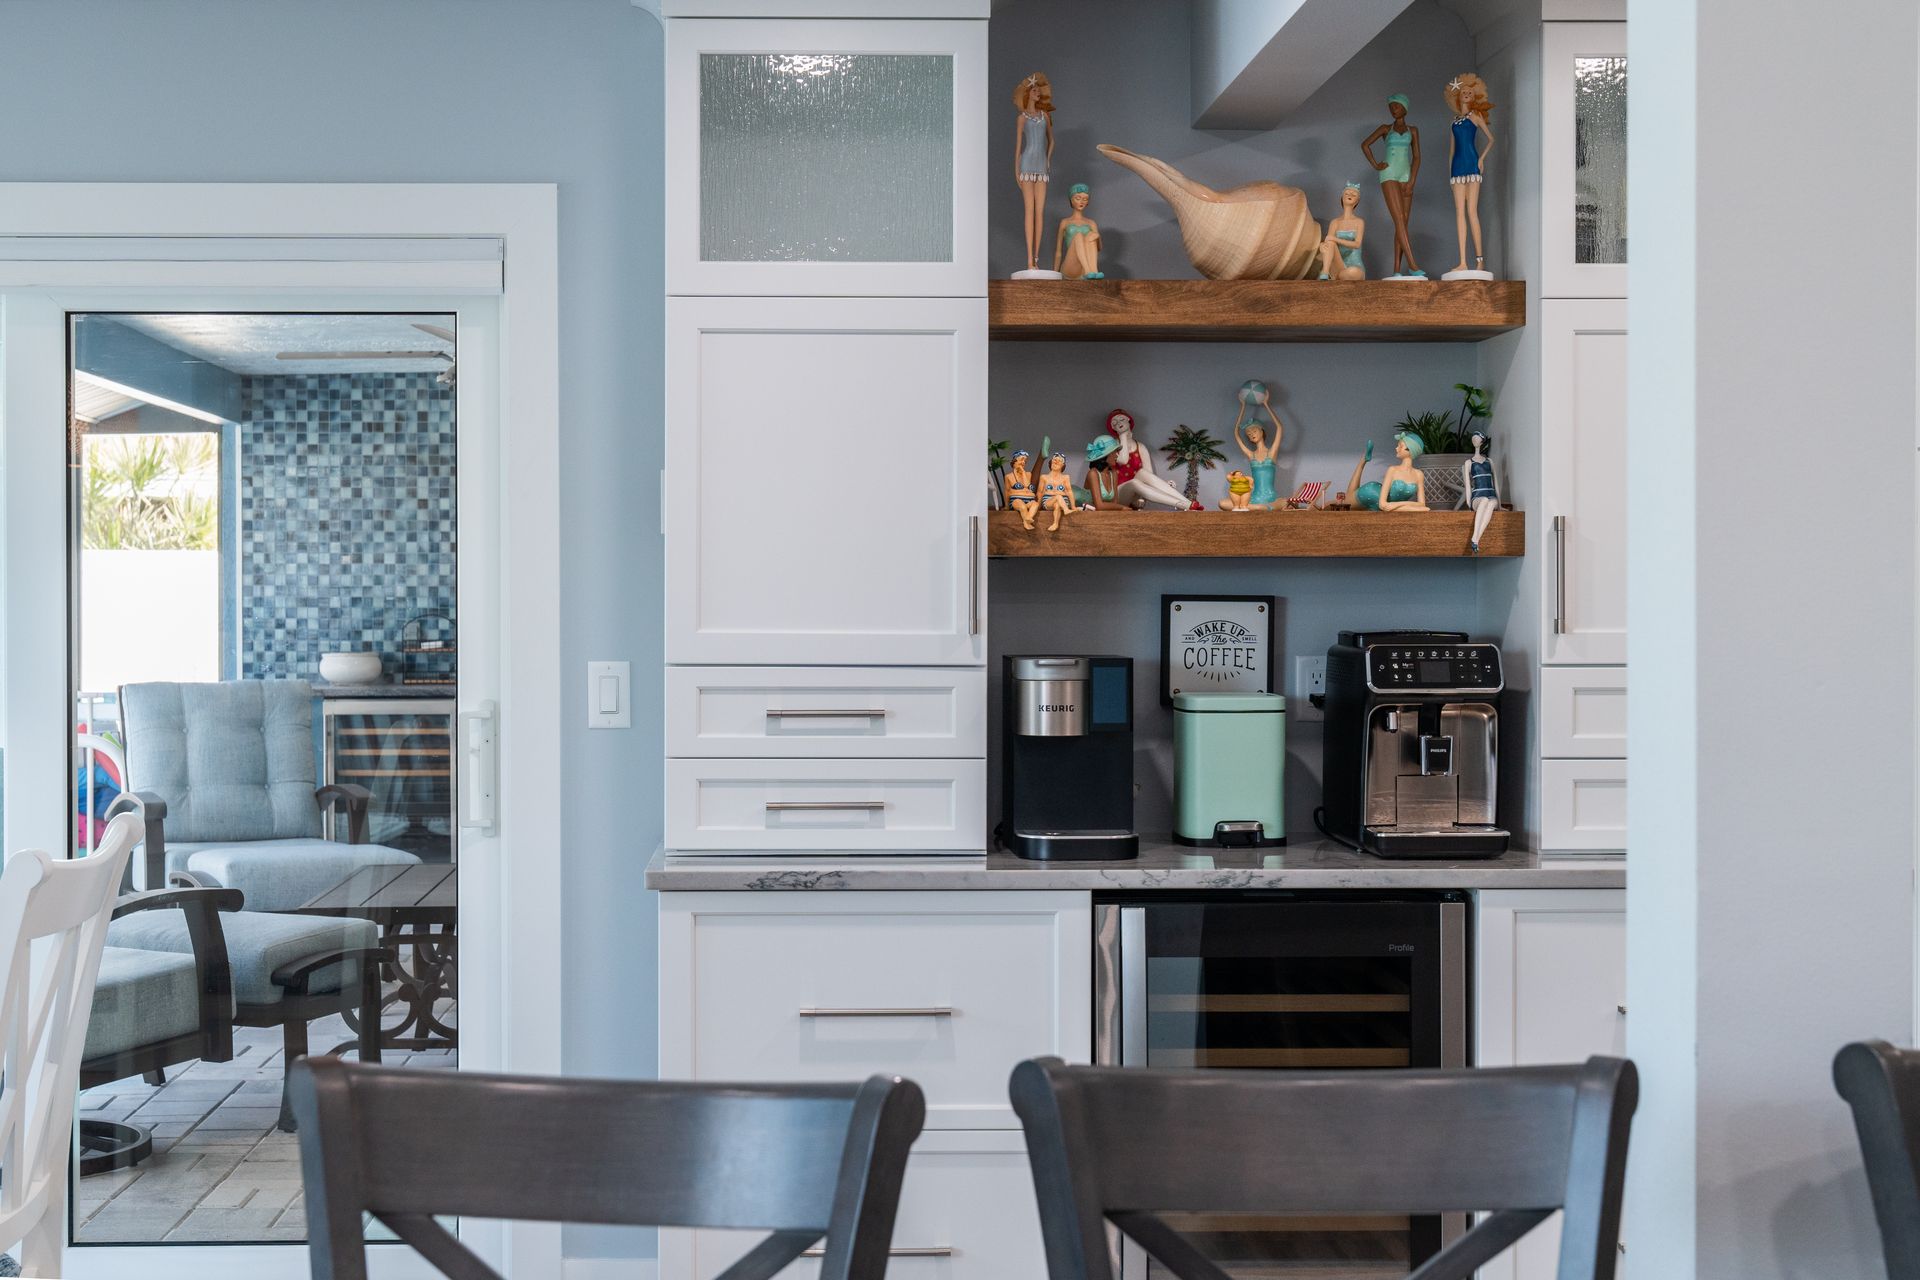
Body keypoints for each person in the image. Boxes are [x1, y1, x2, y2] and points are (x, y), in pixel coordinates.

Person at [1361, 93, 1425, 279]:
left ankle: (1397, 269)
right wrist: (1375, 164)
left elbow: (1417, 157)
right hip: (1388, 173)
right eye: (1391, 107)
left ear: (1405, 108)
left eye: (1396, 106)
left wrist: (1412, 179)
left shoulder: (1413, 130)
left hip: (1406, 175)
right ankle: (1413, 265)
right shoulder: (1384, 129)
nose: (1393, 110)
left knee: (1403, 222)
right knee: (1398, 219)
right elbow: (1365, 145)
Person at [1443, 73, 1496, 277]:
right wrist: (1449, 173)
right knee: (1459, 212)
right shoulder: (1454, 121)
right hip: (1457, 167)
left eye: (1469, 92)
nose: (1466, 94)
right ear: (1458, 97)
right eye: (1463, 92)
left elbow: (1491, 139)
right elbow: (1451, 150)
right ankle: (1463, 261)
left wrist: (1481, 159)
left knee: (1472, 211)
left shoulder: (1476, 117)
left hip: (1472, 164)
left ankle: (1480, 260)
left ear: (1474, 97)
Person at [1104, 410, 1199, 510]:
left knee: (1142, 473)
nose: (1119, 423)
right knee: (1134, 482)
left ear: (1128, 420)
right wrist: (1122, 436)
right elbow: (1123, 460)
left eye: (1122, 419)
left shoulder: (1140, 447)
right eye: (1114, 422)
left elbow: (1148, 476)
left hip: (1137, 493)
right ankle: (1179, 504)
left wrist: (1164, 486)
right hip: (1118, 494)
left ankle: (1187, 502)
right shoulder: (1112, 446)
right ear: (1113, 428)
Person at [1013, 73, 1055, 274]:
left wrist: (1048, 159)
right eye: (1035, 90)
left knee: (1040, 212)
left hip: (1041, 167)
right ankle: (1029, 259)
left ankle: (1037, 257)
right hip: (1027, 165)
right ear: (1028, 94)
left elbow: (1051, 140)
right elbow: (1019, 147)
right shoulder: (1022, 119)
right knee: (1029, 211)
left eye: (1039, 90)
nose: (1038, 93)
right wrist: (1016, 171)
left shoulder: (1044, 116)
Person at [1223, 381, 1283, 511]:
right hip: (1253, 497)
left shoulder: (1271, 453)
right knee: (1222, 503)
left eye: (1254, 431)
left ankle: (1254, 507)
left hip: (1269, 498)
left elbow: (1279, 427)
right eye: (1249, 434)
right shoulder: (1252, 455)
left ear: (1262, 431)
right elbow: (1236, 433)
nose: (1251, 435)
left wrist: (1266, 404)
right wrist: (1242, 406)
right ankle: (1247, 507)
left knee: (1261, 507)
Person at [1347, 433, 1430, 511]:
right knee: (1344, 503)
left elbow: (1422, 505)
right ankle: (1363, 460)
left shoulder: (1419, 474)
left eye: (1400, 446)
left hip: (1385, 504)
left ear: (1410, 450)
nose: (1396, 448)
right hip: (1372, 493)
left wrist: (1394, 505)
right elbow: (1383, 505)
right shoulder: (1393, 470)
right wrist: (1411, 506)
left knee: (1344, 500)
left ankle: (1364, 459)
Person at [1317, 182, 1368, 281]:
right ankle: (1325, 272)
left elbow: (1357, 244)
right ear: (1342, 197)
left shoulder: (1359, 222)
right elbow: (1329, 241)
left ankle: (1337, 276)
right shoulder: (1335, 222)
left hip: (1354, 267)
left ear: (1357, 201)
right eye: (1347, 193)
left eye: (1354, 195)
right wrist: (1324, 246)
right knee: (1330, 242)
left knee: (1353, 272)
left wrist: (1335, 239)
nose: (1350, 195)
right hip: (1338, 265)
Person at [1054, 183, 1104, 279]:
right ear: (1071, 199)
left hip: (1082, 269)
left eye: (1085, 199)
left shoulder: (1091, 223)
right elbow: (1058, 252)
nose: (1081, 202)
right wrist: (1055, 275)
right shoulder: (1065, 222)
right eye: (1078, 198)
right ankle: (1088, 270)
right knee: (1079, 236)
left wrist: (1097, 236)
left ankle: (1094, 270)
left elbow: (1099, 248)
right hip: (1070, 268)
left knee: (1091, 235)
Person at [1464, 432, 1499, 552]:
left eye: (1477, 438)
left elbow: (1495, 483)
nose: (1475, 440)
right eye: (1473, 438)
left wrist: (1500, 504)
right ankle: (1475, 538)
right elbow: (1468, 486)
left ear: (1482, 442)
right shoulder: (1469, 463)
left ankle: (1476, 539)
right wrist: (1468, 502)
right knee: (1484, 501)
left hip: (1491, 495)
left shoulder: (1489, 461)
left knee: (1491, 503)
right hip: (1478, 496)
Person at [1038, 452, 1075, 532]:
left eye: (1059, 461)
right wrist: (1038, 505)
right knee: (1058, 496)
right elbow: (1040, 492)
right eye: (1054, 460)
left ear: (1063, 465)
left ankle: (1055, 524)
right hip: (1048, 501)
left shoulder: (1065, 477)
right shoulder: (1044, 477)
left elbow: (1069, 492)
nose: (1056, 462)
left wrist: (1073, 506)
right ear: (1051, 462)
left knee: (1057, 504)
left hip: (1064, 502)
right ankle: (1066, 510)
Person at [1004, 449, 1039, 529]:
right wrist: (1006, 506)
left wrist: (1023, 472)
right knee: (1022, 507)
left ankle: (1026, 521)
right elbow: (1007, 491)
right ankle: (1027, 521)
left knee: (1035, 504)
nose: (1023, 462)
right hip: (1016, 500)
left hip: (1029, 500)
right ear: (1014, 461)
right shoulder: (1009, 476)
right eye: (1021, 460)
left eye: (1025, 461)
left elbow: (1027, 485)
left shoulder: (1028, 474)